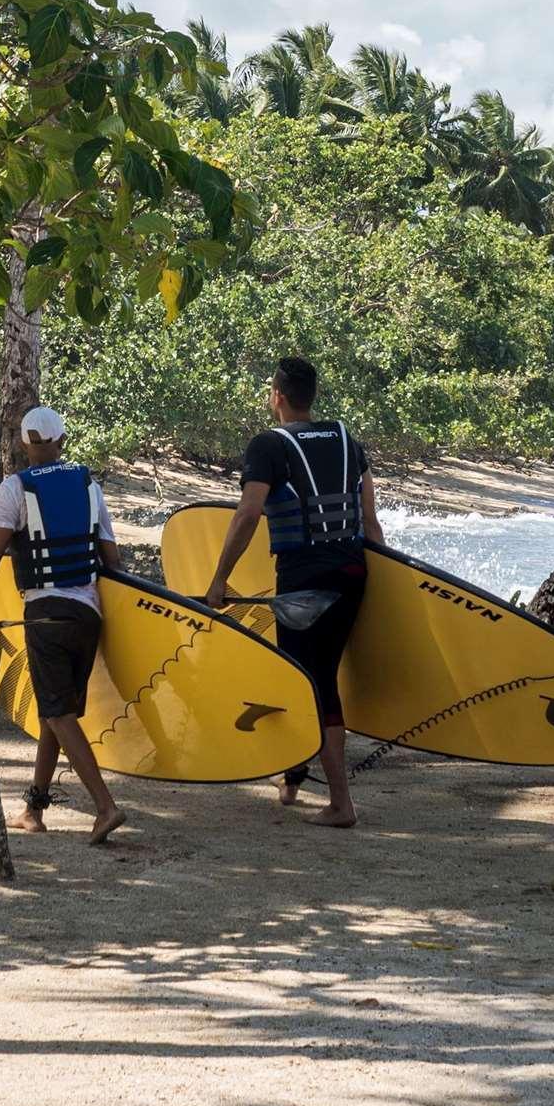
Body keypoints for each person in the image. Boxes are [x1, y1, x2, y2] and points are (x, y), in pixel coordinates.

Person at [200, 354, 378, 829]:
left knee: (312, 682)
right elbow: (371, 522)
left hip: (304, 584)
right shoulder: (348, 440)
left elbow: (248, 513)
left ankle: (341, 804)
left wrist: (219, 579)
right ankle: (294, 775)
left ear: (277, 396)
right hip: (354, 574)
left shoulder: (268, 446)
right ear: (311, 397)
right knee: (309, 673)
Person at [0, 406, 129, 844]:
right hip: (88, 617)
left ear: (25, 444)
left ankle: (105, 807)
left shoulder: (15, 488)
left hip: (46, 617)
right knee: (54, 713)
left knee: (58, 713)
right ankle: (34, 808)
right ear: (62, 439)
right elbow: (113, 561)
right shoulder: (89, 485)